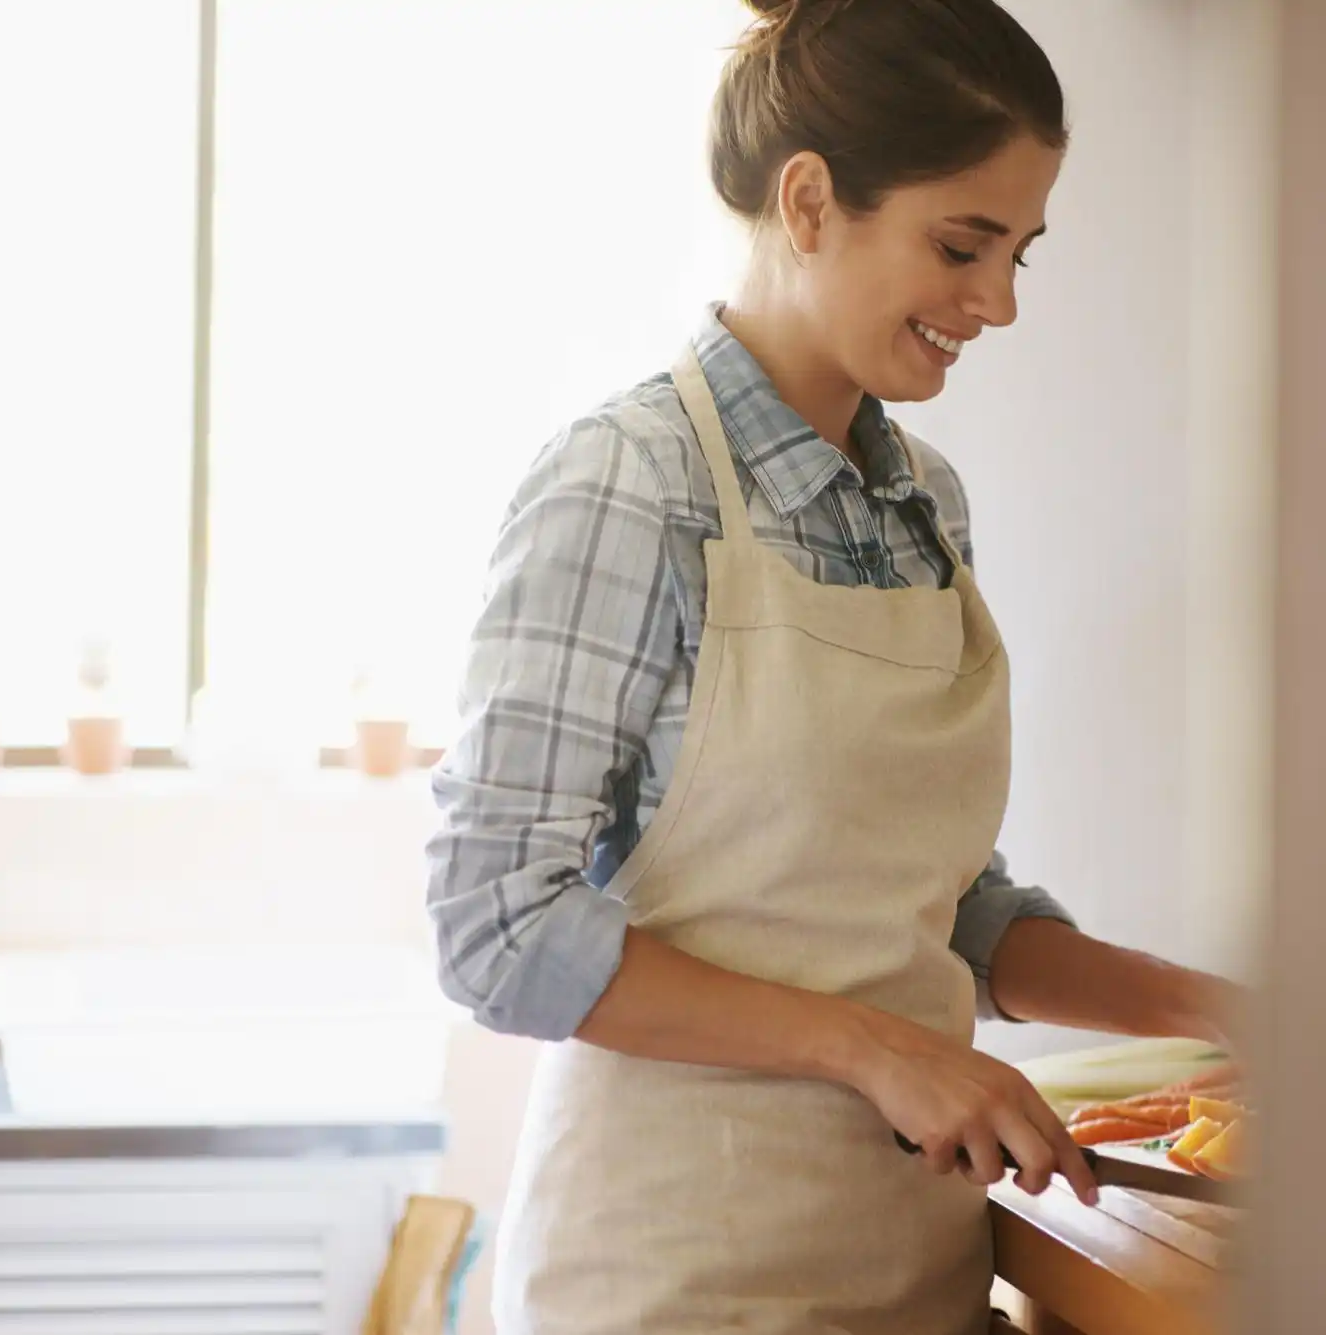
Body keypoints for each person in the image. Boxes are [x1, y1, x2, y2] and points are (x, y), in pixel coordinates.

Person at [425, 1, 1241, 1330]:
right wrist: (878, 1050)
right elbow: (494, 928)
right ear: (809, 201)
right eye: (963, 245)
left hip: (917, 1270)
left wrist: (1223, 1013)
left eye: (1022, 253)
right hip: (674, 1282)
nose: (1001, 303)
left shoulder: (926, 501)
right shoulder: (628, 485)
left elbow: (942, 907)